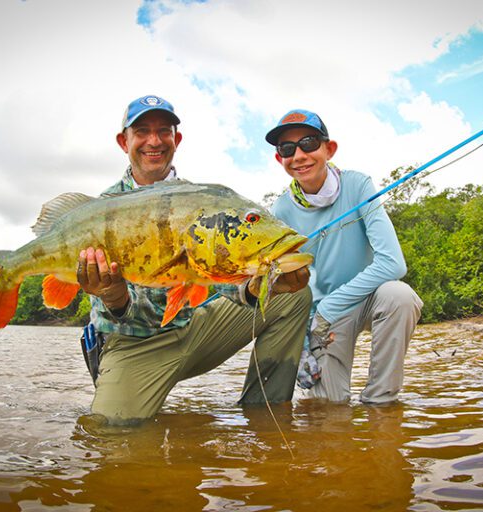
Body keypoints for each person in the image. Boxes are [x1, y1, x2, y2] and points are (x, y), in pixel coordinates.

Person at [76, 95, 312, 424]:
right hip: (134, 345)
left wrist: (260, 287)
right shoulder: (102, 208)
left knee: (293, 296)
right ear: (123, 141)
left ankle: (265, 417)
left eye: (164, 131)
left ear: (177, 139)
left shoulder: (201, 201)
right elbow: (121, 308)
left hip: (194, 329)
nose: (154, 141)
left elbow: (217, 272)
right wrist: (112, 295)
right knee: (112, 434)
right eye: (142, 131)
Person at [265, 109, 423, 404]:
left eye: (309, 143)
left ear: (329, 148)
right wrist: (300, 346)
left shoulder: (358, 185)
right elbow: (286, 287)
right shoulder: (280, 211)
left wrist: (328, 309)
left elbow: (393, 262)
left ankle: (381, 401)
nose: (299, 155)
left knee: (400, 296)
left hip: (364, 300)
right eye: (287, 149)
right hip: (319, 319)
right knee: (328, 410)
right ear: (280, 159)